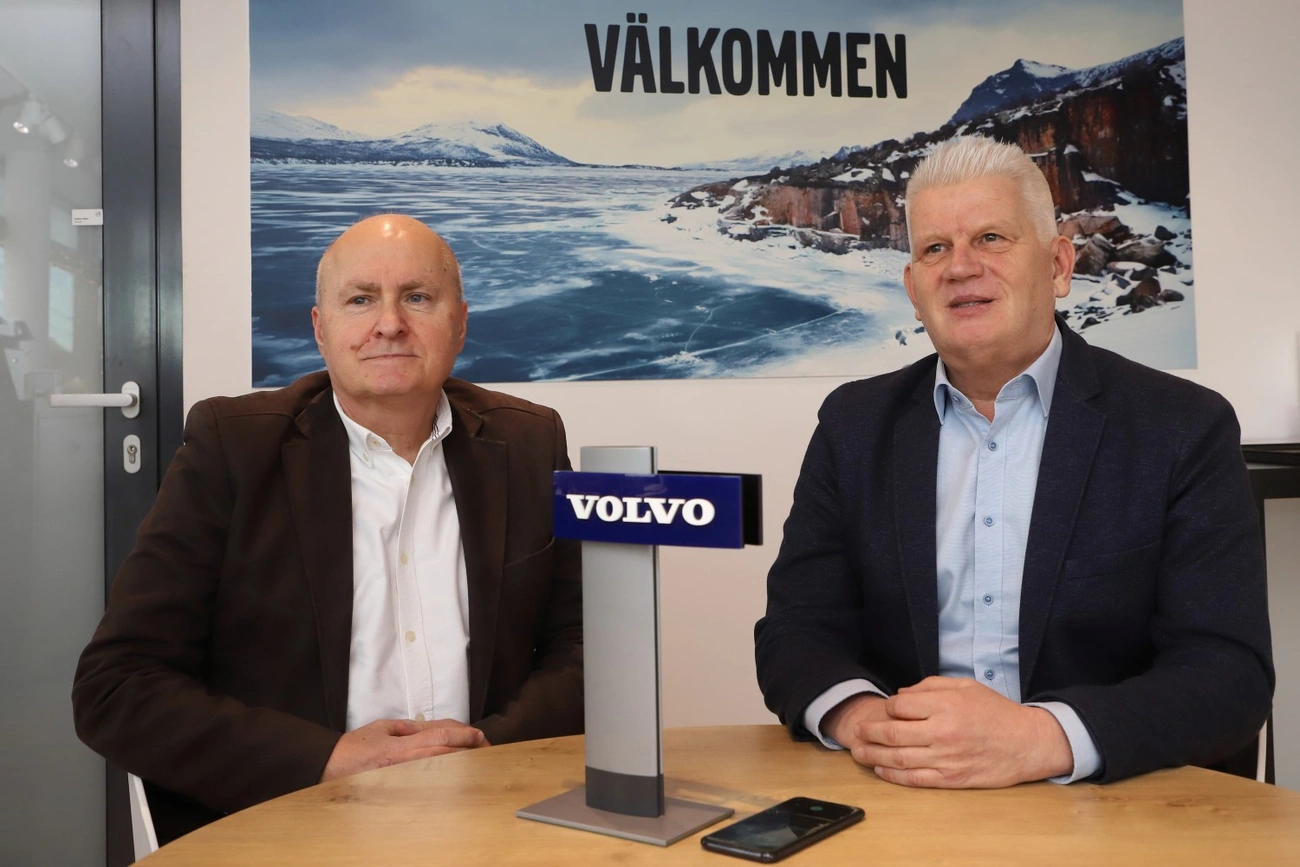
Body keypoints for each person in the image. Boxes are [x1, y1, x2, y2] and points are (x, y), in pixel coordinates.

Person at [754, 136, 1273, 788]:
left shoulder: (1183, 427)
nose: (960, 267)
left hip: (1113, 808)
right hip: (906, 792)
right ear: (913, 289)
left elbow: (1228, 673)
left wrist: (1038, 739)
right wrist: (866, 721)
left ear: (1058, 265)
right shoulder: (853, 425)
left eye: (991, 238)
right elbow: (797, 630)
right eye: (934, 248)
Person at [73, 215, 582, 842]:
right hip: (295, 818)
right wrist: (327, 760)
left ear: (459, 323)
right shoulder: (232, 449)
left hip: (493, 813)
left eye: (417, 297)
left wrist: (489, 754)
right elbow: (118, 687)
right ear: (321, 328)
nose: (389, 323)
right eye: (361, 299)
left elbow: (587, 647)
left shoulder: (530, 442)